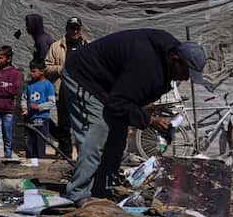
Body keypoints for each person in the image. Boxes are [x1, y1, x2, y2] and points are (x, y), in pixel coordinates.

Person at [62, 29, 206, 203]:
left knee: (117, 136)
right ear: (176, 59)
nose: (186, 78)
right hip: (84, 76)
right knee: (97, 131)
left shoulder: (166, 57)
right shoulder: (146, 64)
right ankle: (78, 193)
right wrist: (150, 121)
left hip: (110, 89)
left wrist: (149, 117)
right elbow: (119, 103)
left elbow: (132, 98)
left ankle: (101, 189)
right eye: (186, 72)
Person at [46, 17, 88, 157]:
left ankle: (84, 154)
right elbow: (47, 67)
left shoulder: (88, 45)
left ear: (81, 29)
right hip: (64, 90)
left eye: (77, 28)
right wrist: (61, 69)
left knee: (84, 125)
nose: (75, 31)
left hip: (84, 92)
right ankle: (66, 154)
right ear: (67, 29)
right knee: (64, 125)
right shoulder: (56, 46)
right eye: (72, 28)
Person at [22, 59, 56, 162]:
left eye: (34, 71)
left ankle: (39, 164)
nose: (32, 74)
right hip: (29, 118)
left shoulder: (48, 85)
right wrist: (24, 108)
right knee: (29, 141)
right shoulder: (29, 85)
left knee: (39, 142)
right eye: (31, 71)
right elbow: (24, 98)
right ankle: (30, 163)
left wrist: (39, 107)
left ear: (42, 71)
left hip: (42, 118)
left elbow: (52, 102)